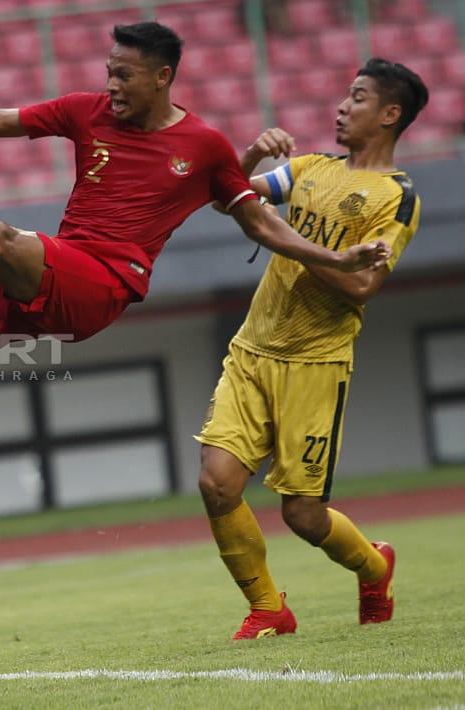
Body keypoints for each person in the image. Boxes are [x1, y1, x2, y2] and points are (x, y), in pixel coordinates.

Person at [0, 21, 392, 552]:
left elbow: (258, 222)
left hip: (102, 286)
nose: (112, 85)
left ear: (162, 76)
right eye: (109, 72)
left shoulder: (204, 146)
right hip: (53, 271)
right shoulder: (86, 112)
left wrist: (336, 259)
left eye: (125, 75)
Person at [196, 58, 426, 640]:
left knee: (301, 514)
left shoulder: (394, 198)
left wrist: (287, 239)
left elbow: (362, 284)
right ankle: (270, 608)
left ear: (390, 113)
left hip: (316, 365)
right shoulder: (306, 169)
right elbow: (231, 200)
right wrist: (247, 157)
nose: (342, 107)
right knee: (216, 482)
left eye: (358, 97)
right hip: (252, 351)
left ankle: (375, 567)